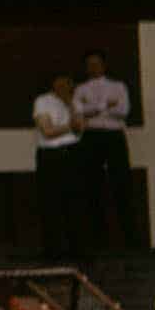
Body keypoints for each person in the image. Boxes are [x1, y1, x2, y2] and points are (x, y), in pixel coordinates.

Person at [74, 49, 138, 250]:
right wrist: (105, 105)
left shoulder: (118, 86)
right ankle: (97, 240)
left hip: (114, 136)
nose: (94, 67)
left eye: (97, 63)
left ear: (104, 65)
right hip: (91, 137)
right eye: (90, 64)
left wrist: (93, 108)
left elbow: (123, 111)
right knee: (92, 184)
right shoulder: (81, 89)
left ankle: (129, 239)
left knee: (121, 182)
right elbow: (78, 112)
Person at [32, 66, 91, 256]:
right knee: (51, 202)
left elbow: (80, 129)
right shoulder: (43, 101)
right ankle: (53, 250)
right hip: (51, 155)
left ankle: (78, 249)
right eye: (60, 84)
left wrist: (70, 105)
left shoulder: (75, 102)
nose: (64, 87)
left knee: (75, 201)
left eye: (67, 84)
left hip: (73, 152)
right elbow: (47, 131)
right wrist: (69, 126)